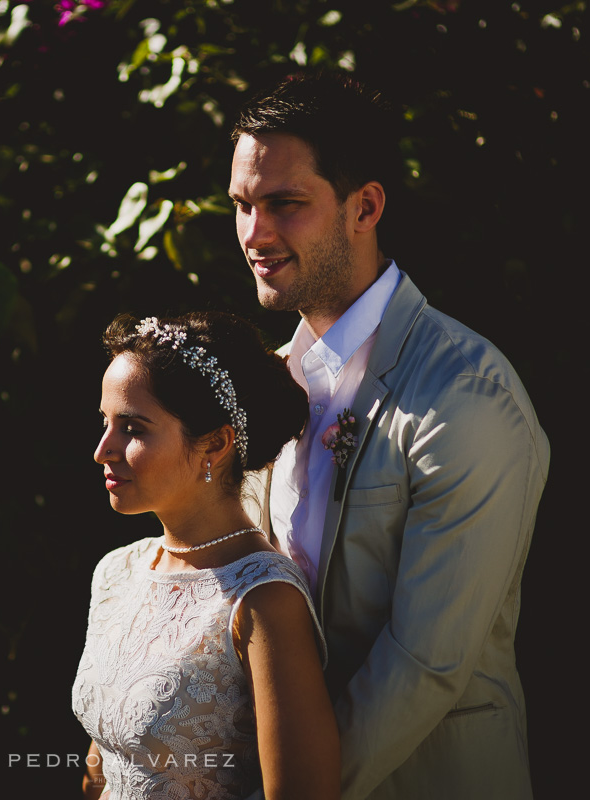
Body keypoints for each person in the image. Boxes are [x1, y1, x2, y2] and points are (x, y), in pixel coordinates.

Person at [228, 72, 550, 799]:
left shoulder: (467, 395)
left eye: (284, 203)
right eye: (243, 205)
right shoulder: (263, 385)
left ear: (364, 206)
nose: (254, 233)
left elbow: (425, 664)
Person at [72, 311, 340, 800]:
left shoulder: (263, 599)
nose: (102, 450)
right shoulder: (116, 572)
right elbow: (103, 762)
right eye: (105, 422)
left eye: (132, 428)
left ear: (214, 444)